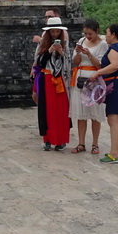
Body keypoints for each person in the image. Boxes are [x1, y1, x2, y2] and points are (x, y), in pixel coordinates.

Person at [90, 23, 118, 164]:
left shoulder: (114, 48)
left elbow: (115, 65)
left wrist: (98, 72)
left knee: (113, 119)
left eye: (107, 33)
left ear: (113, 34)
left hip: (116, 84)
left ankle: (114, 153)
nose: (105, 36)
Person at [31, 17, 72, 151]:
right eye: (52, 32)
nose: (54, 34)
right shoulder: (43, 44)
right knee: (47, 110)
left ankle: (60, 140)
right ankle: (47, 139)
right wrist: (49, 51)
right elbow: (39, 62)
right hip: (46, 79)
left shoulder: (65, 44)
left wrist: (61, 53)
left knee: (60, 111)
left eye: (56, 32)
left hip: (60, 81)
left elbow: (68, 64)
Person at [68, 19, 108, 155]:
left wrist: (89, 54)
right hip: (80, 77)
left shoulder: (103, 45)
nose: (88, 37)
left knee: (95, 113)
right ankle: (81, 143)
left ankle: (95, 144)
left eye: (90, 34)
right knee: (81, 113)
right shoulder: (81, 41)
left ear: (96, 32)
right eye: (86, 33)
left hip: (94, 78)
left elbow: (100, 65)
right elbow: (75, 61)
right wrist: (79, 53)